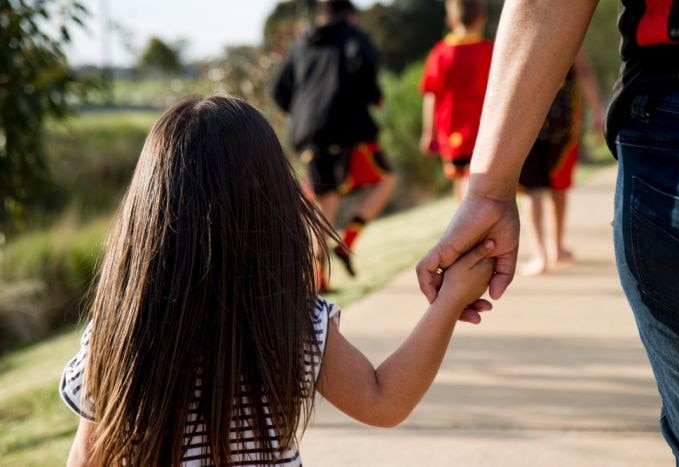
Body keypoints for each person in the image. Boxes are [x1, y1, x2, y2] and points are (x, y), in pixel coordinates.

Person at [58, 95, 495, 466]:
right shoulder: (289, 323)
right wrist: (450, 298)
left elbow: (85, 458)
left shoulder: (116, 333)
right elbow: (383, 400)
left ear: (148, 212)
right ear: (269, 207)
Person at [416, 1, 679, 465]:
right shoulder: (474, 50)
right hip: (619, 124)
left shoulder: (449, 54)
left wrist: (487, 192)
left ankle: (548, 249)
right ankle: (552, 246)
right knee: (552, 188)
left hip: (675, 120)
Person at [271, 0, 396, 289]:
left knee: (325, 201)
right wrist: (373, 96)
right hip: (344, 129)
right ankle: (343, 246)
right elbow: (364, 65)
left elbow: (278, 89)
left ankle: (319, 275)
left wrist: (303, 112)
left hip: (307, 133)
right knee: (385, 180)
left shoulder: (302, 43)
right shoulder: (350, 34)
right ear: (350, 15)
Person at [518, 50, 605, 275]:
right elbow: (583, 72)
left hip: (530, 120)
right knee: (557, 186)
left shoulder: (522, 27)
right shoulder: (567, 21)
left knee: (534, 189)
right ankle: (555, 249)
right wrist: (597, 111)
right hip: (562, 122)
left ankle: (541, 255)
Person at [419, 0, 493, 201]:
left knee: (461, 179)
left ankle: (468, 225)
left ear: (450, 20)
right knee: (483, 178)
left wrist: (429, 133)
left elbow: (431, 95)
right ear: (481, 17)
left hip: (451, 128)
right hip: (486, 126)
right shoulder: (490, 51)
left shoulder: (441, 53)